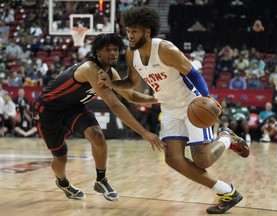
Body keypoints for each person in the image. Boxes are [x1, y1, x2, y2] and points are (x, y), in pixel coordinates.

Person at [98, 6, 250, 214]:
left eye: (134, 31)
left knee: (202, 159)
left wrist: (206, 98)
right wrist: (112, 83)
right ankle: (228, 192)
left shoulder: (165, 49)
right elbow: (131, 83)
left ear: (147, 31)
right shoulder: (131, 55)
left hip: (191, 103)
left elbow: (194, 74)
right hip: (168, 108)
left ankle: (226, 138)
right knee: (172, 159)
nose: (130, 35)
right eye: (128, 30)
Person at [32, 33, 164, 202]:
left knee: (97, 136)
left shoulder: (111, 71)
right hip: (47, 111)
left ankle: (101, 180)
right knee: (61, 156)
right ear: (97, 52)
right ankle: (63, 182)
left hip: (73, 108)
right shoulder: (90, 69)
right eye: (108, 50)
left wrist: (155, 99)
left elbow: (130, 95)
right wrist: (144, 133)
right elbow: (116, 105)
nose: (113, 53)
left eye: (116, 49)